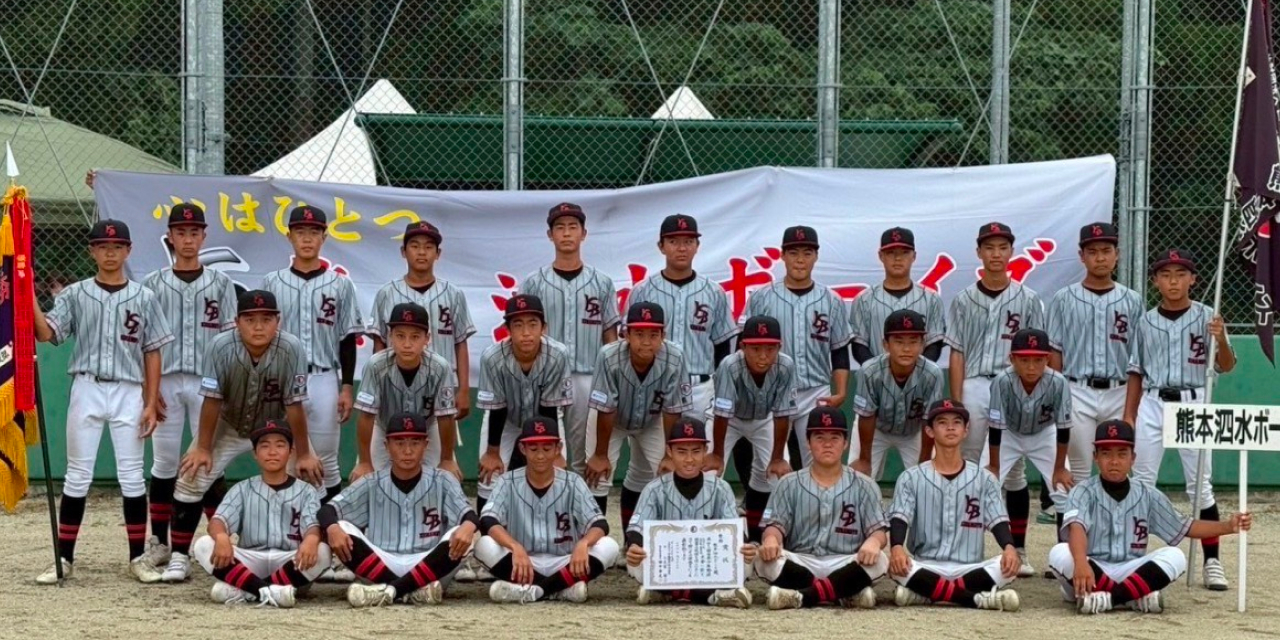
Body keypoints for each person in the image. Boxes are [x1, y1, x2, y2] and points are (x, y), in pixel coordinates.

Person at [32, 220, 174, 584]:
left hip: (129, 388)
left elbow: (153, 350)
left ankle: (137, 558)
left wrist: (149, 398)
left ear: (128, 251)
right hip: (87, 385)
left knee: (131, 477)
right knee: (78, 475)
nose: (110, 253)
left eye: (117, 247)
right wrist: (27, 297)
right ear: (92, 251)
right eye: (102, 246)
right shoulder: (76, 294)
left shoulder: (144, 296)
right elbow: (48, 333)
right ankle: (63, 559)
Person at [162, 289, 315, 583]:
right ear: (236, 322)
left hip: (276, 426)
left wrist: (305, 452)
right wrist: (203, 447)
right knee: (190, 479)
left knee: (309, 478)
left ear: (278, 322)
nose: (258, 326)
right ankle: (180, 556)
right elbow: (212, 400)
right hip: (229, 423)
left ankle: (306, 552)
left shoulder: (292, 348)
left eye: (266, 319)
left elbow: (294, 405)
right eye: (250, 319)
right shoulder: (219, 346)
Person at [1049, 419, 1252, 614]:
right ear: (1095, 457)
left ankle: (1109, 599)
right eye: (1106, 453)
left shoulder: (1147, 493)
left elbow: (1185, 527)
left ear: (1133, 458)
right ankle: (1133, 598)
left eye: (1122, 454)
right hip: (1091, 569)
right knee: (1059, 552)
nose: (1113, 461)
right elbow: (1076, 529)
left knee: (1176, 556)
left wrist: (1228, 526)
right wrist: (1081, 563)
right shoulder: (1082, 491)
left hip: (1131, 570)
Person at [1123, 248, 1236, 590]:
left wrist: (1220, 338)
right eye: (1166, 275)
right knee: (1141, 482)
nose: (1173, 281)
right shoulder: (1146, 320)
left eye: (1180, 274)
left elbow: (1226, 365)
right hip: (1154, 401)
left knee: (1200, 485)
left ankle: (1212, 562)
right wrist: (1129, 414)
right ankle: (1133, 554)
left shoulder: (1208, 316)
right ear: (1156, 281)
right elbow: (1136, 372)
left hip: (1193, 400)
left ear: (1193, 279)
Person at [141, 203, 239, 569]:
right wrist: (148, 393)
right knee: (165, 463)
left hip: (207, 382)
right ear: (170, 237)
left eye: (194, 232)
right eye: (181, 232)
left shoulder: (221, 284)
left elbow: (232, 340)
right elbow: (143, 343)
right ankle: (160, 540)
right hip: (165, 380)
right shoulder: (152, 284)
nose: (187, 238)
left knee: (208, 461)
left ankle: (219, 538)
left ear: (203, 236)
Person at [261, 205, 366, 505]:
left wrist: (347, 387)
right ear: (289, 236)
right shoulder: (272, 282)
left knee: (327, 461)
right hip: (280, 377)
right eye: (300, 232)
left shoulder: (340, 284)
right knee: (282, 458)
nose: (307, 238)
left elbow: (347, 338)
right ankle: (286, 530)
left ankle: (327, 530)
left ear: (324, 237)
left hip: (323, 377)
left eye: (314, 232)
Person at [467, 293, 573, 582]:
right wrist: (492, 452)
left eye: (532, 324)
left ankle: (554, 545)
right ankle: (488, 550)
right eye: (518, 325)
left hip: (546, 419)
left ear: (544, 328)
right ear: (508, 329)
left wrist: (555, 451)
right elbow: (497, 408)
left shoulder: (558, 354)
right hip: (506, 419)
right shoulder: (493, 356)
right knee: (490, 476)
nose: (526, 332)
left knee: (556, 474)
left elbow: (550, 408)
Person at [322, 412, 479, 607]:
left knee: (465, 532)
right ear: (387, 446)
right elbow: (327, 511)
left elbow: (470, 514)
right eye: (399, 443)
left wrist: (469, 525)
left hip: (429, 564)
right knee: (341, 526)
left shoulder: (443, 479)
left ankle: (390, 591)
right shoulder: (372, 482)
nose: (408, 450)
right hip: (384, 564)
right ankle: (412, 592)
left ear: (426, 445)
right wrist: (332, 529)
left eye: (415, 442)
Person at [1043, 222, 1143, 524]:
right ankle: (1067, 548)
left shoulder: (1132, 300)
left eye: (1106, 251)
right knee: (1079, 471)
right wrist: (1059, 394)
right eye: (1093, 251)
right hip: (1077, 389)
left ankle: (1113, 542)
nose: (1100, 257)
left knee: (1116, 470)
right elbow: (1055, 351)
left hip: (1118, 389)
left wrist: (1130, 412)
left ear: (1117, 255)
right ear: (1081, 256)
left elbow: (1137, 360)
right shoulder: (1064, 298)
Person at [887, 399, 1022, 612]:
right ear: (929, 431)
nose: (950, 427)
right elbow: (899, 518)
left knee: (1010, 567)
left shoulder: (984, 478)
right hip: (926, 565)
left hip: (970, 567)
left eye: (957, 422)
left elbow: (998, 521)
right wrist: (896, 548)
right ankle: (977, 599)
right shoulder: (911, 477)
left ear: (966, 430)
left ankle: (927, 594)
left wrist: (1009, 547)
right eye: (942, 422)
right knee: (896, 567)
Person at [519, 203, 621, 477]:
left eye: (572, 227)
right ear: (550, 234)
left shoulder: (602, 282)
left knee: (580, 455)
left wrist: (612, 378)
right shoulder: (533, 283)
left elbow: (610, 334)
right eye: (560, 227)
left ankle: (577, 515)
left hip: (587, 376)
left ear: (583, 234)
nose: (566, 233)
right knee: (543, 450)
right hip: (543, 376)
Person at [475, 417, 622, 603]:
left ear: (558, 449)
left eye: (546, 448)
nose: (540, 456)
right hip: (523, 561)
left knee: (609, 546)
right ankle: (560, 589)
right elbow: (488, 520)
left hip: (565, 561)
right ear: (522, 449)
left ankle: (534, 591)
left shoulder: (573, 482)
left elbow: (599, 524)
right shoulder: (507, 481)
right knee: (483, 544)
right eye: (534, 449)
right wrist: (515, 546)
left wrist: (584, 543)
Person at [756, 407, 889, 610]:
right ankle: (843, 593)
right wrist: (772, 539)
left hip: (846, 563)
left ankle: (804, 596)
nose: (827, 444)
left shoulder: (865, 484)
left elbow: (879, 532)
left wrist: (873, 541)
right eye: (819, 437)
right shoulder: (788, 483)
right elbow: (774, 525)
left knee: (880, 559)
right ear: (808, 443)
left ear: (845, 443)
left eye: (835, 437)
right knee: (762, 558)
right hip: (800, 562)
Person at [741, 225, 852, 469]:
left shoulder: (831, 300)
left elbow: (840, 349)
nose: (800, 259)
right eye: (793, 252)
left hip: (816, 391)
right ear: (782, 255)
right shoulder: (762, 298)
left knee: (820, 462)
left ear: (816, 256)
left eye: (807, 252)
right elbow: (744, 349)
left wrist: (841, 391)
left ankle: (815, 508)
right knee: (773, 463)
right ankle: (772, 508)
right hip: (772, 390)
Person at [192, 418, 329, 608]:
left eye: (280, 445)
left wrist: (312, 539)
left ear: (290, 452)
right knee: (203, 544)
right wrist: (222, 537)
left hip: (291, 563)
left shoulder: (306, 491)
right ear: (255, 454)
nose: (272, 452)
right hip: (251, 559)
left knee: (323, 550)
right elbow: (217, 522)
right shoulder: (242, 488)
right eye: (264, 446)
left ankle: (248, 590)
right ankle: (267, 591)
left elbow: (313, 527)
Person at [626, 417, 755, 609]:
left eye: (696, 451)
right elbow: (635, 531)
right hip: (670, 563)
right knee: (635, 562)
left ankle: (667, 592)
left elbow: (734, 532)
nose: (689, 459)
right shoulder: (654, 489)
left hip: (705, 564)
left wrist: (745, 548)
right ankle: (712, 596)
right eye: (681, 451)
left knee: (746, 562)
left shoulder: (721, 488)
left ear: (705, 451)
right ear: (669, 451)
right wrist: (635, 547)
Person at [583, 302, 692, 525]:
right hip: (610, 422)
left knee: (667, 475)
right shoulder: (609, 355)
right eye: (639, 333)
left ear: (664, 335)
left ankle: (635, 543)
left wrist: (669, 456)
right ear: (626, 334)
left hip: (653, 420)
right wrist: (600, 455)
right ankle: (596, 546)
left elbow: (673, 410)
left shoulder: (675, 356)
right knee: (598, 477)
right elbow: (606, 408)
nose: (646, 340)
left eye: (654, 334)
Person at [945, 223, 1044, 465]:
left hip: (1013, 384)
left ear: (1011, 251)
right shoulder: (963, 300)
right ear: (979, 252)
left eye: (1002, 247)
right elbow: (957, 353)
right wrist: (957, 402)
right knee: (968, 457)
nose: (996, 254)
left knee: (1013, 465)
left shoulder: (1028, 299)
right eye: (989, 248)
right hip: (974, 385)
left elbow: (1039, 355)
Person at [368, 220, 476, 439]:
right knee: (391, 451)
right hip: (394, 385)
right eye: (415, 246)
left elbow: (460, 342)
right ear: (403, 251)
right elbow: (379, 342)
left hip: (440, 386)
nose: (421, 252)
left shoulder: (453, 294)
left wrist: (463, 389)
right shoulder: (386, 293)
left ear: (438, 253)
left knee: (440, 458)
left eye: (428, 247)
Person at [627, 213, 739, 420]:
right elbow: (628, 342)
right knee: (655, 451)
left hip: (700, 387)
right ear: (661, 246)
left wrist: (718, 384)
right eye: (673, 241)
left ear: (697, 246)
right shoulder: (642, 291)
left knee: (700, 450)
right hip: (654, 383)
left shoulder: (713, 292)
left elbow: (723, 344)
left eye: (688, 241)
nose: (681, 248)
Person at [986, 328, 1073, 577]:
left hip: (1045, 434)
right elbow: (995, 426)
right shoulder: (1002, 381)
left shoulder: (1058, 382)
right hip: (1008, 434)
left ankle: (1063, 558)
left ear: (1047, 359)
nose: (1031, 366)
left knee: (1063, 492)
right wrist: (993, 466)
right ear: (1012, 359)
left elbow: (1064, 428)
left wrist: (1059, 468)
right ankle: (1018, 552)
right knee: (984, 486)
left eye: (1038, 359)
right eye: (1024, 359)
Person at [704, 315, 798, 541]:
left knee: (777, 476)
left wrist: (777, 457)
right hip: (728, 420)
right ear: (742, 346)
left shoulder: (786, 365)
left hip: (763, 419)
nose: (763, 355)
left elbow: (783, 414)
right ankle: (706, 533)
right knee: (708, 473)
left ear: (779, 347)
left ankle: (757, 533)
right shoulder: (729, 365)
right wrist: (717, 454)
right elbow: (722, 413)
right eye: (755, 348)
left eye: (770, 348)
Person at [350, 302, 459, 480]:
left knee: (444, 479)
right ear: (390, 336)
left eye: (415, 337)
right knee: (367, 480)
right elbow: (366, 416)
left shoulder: (440, 367)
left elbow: (445, 417)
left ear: (427, 338)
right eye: (400, 336)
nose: (407, 344)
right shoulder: (375, 365)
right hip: (384, 428)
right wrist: (364, 462)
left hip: (427, 430)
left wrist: (447, 459)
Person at [851, 309, 944, 480]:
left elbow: (928, 419)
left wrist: (924, 461)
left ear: (923, 344)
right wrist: (864, 459)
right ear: (885, 344)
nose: (906, 348)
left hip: (914, 430)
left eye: (913, 341)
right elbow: (867, 415)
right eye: (899, 341)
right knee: (858, 477)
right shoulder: (869, 371)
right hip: (876, 429)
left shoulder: (933, 373)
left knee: (928, 477)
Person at [850, 227, 946, 364]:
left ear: (914, 256)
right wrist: (878, 373)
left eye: (905, 252)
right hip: (876, 380)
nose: (898, 258)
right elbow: (859, 346)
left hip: (921, 381)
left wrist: (919, 373)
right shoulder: (863, 300)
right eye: (890, 252)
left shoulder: (931, 299)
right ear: (880, 256)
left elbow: (934, 344)